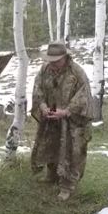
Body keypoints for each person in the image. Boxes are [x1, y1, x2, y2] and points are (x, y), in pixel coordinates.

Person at [31, 41, 95, 201]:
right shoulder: (45, 69)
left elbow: (84, 96)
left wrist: (66, 111)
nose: (53, 65)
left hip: (72, 121)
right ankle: (51, 175)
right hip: (52, 117)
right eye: (51, 61)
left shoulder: (77, 72)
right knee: (51, 145)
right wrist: (43, 106)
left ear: (65, 57)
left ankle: (67, 185)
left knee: (71, 151)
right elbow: (37, 88)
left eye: (57, 61)